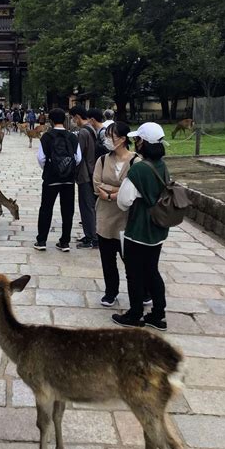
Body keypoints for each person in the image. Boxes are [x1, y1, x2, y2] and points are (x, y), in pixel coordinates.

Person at [112, 122, 170, 331]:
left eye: (138, 139)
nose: (136, 142)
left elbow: (124, 200)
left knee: (134, 272)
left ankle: (135, 314)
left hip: (139, 229)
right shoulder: (163, 166)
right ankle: (158, 314)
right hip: (158, 228)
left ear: (142, 142)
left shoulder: (139, 169)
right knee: (152, 270)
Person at [92, 121, 141, 305]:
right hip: (105, 216)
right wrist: (120, 190)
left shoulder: (136, 161)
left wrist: (111, 193)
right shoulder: (103, 160)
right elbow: (97, 185)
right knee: (107, 258)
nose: (106, 139)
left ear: (121, 139)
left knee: (130, 260)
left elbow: (134, 190)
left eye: (110, 136)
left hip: (127, 217)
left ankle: (140, 292)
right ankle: (110, 291)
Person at [34, 108, 81, 252]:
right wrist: (66, 168)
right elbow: (78, 158)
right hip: (68, 180)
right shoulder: (73, 137)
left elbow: (41, 158)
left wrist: (50, 168)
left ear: (51, 120)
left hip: (51, 179)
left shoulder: (47, 137)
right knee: (67, 210)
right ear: (64, 119)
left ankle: (41, 240)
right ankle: (64, 242)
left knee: (46, 209)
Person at [69, 106, 98, 249]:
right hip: (93, 171)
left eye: (73, 118)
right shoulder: (92, 129)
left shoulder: (83, 132)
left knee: (86, 206)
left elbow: (78, 156)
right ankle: (92, 234)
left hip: (85, 174)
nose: (73, 121)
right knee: (90, 205)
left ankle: (91, 237)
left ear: (77, 117)